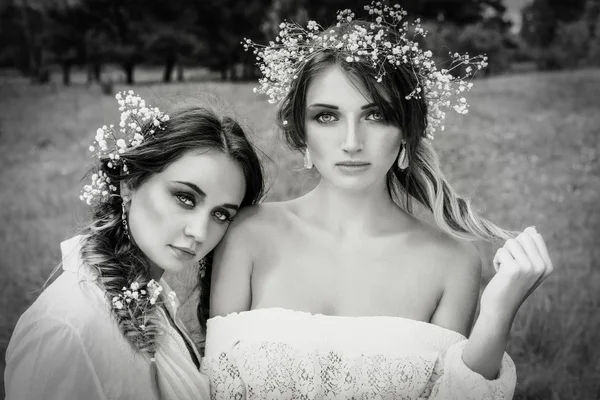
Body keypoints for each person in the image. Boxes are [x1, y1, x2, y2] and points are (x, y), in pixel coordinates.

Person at [200, 4, 553, 400]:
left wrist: (498, 314)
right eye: (327, 117)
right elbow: (210, 385)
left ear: (406, 132)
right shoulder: (247, 234)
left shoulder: (453, 262)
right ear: (302, 132)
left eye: (377, 115)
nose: (352, 142)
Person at [4, 91, 265, 400]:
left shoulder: (152, 298)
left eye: (221, 214)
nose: (199, 231)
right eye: (185, 197)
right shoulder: (67, 327)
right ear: (130, 183)